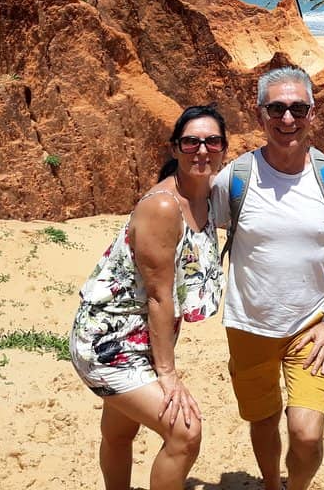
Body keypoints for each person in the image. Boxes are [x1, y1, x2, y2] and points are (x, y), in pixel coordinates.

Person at [212, 66, 324, 490]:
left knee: (306, 435)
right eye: (277, 108)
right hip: (248, 326)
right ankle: (271, 484)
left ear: (312, 113)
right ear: (260, 113)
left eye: (298, 108)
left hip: (310, 331)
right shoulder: (236, 179)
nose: (287, 119)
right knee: (262, 421)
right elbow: (198, 232)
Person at [70, 105, 227, 490]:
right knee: (185, 433)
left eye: (212, 141)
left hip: (142, 340)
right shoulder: (162, 206)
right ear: (175, 148)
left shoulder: (206, 199)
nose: (202, 150)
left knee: (119, 433)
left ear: (224, 149)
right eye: (191, 142)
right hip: (110, 342)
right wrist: (168, 376)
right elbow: (158, 297)